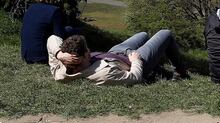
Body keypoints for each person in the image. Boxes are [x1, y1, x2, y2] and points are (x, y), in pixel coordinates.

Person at [48, 30, 189, 85]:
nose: (90, 51)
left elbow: (52, 38)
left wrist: (59, 54)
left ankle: (157, 68)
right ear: (84, 56)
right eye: (87, 51)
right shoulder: (103, 74)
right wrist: (135, 62)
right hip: (134, 59)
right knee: (166, 34)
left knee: (144, 34)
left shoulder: (60, 66)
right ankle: (180, 73)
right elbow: (135, 77)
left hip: (115, 52)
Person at [21, 0, 79, 64]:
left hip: (26, 55)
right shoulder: (54, 11)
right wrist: (73, 30)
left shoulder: (31, 7)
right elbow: (59, 36)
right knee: (74, 31)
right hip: (41, 57)